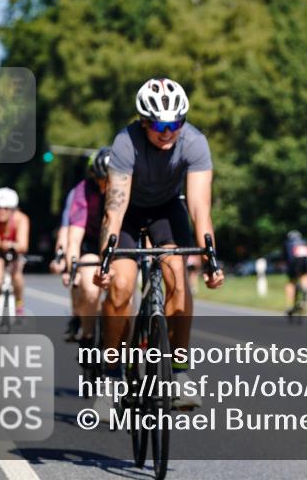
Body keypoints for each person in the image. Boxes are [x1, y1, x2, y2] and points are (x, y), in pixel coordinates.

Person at [94, 77, 224, 417]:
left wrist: (210, 258)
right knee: (121, 287)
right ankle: (110, 377)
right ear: (143, 121)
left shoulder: (194, 142)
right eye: (159, 125)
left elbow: (199, 206)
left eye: (175, 124)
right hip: (129, 212)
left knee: (178, 282)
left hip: (166, 210)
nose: (167, 132)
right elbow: (115, 205)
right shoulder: (125, 143)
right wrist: (105, 258)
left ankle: (179, 373)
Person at [61, 148, 110, 361]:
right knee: (90, 290)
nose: (103, 185)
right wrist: (73, 268)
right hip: (90, 246)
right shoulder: (82, 191)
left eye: (108, 179)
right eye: (99, 179)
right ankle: (88, 336)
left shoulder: (129, 189)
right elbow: (73, 238)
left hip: (119, 247)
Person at [0, 187, 30, 327]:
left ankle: (19, 304)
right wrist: (7, 244)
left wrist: (12, 245)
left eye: (6, 208)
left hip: (15, 253)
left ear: (13, 209)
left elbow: (23, 245)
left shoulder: (21, 219)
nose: (1, 211)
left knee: (17, 276)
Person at [49, 165, 82, 341]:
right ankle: (77, 315)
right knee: (75, 274)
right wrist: (61, 258)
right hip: (82, 238)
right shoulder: (78, 194)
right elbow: (66, 230)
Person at [284, 229, 307, 315]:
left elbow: (285, 258)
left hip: (293, 264)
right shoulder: (305, 242)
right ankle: (306, 291)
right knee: (304, 275)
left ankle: (289, 304)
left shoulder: (287, 243)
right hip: (304, 263)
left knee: (291, 282)